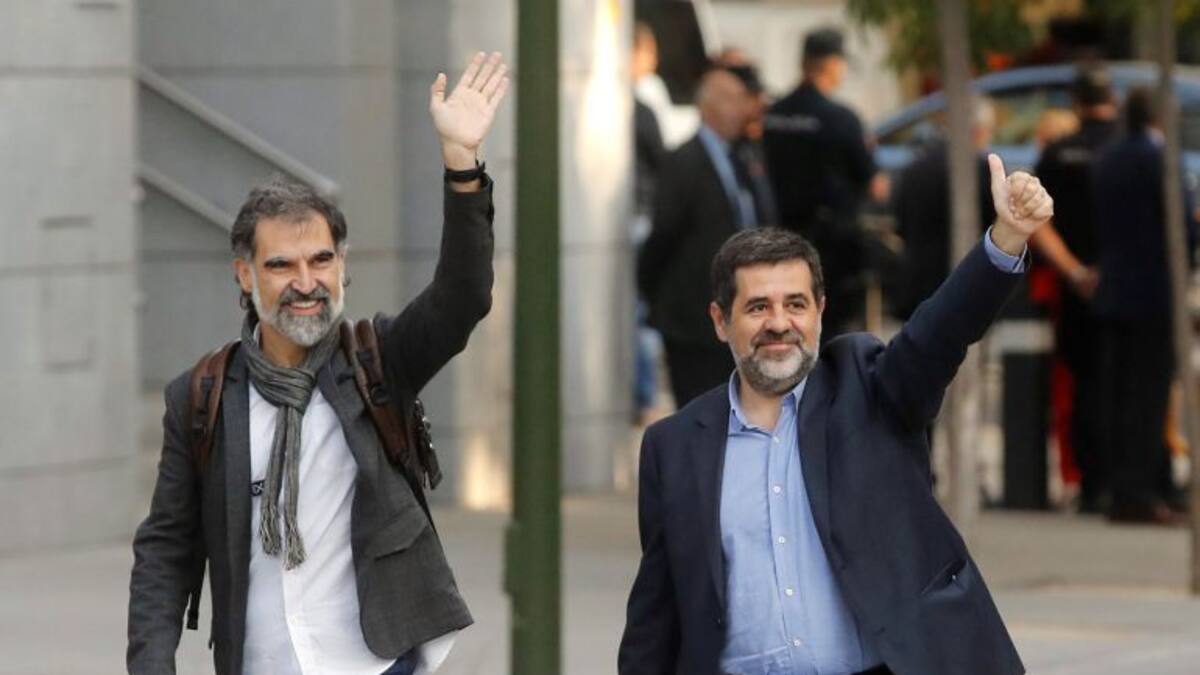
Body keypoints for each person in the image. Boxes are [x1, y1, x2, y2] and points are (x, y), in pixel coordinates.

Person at [127, 52, 509, 675]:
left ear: (342, 265)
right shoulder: (202, 398)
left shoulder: (377, 361)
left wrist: (461, 164)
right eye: (282, 265)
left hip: (375, 663)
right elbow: (166, 549)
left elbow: (462, 296)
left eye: (321, 261)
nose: (306, 283)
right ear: (245, 274)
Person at [619, 153, 1049, 675]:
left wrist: (1006, 239)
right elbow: (656, 616)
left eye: (796, 304)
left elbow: (939, 333)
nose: (780, 323)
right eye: (758, 307)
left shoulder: (869, 390)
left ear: (820, 311)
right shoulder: (673, 446)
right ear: (720, 320)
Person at [639, 67, 771, 408]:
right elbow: (663, 235)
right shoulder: (683, 160)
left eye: (742, 100)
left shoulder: (743, 157)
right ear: (706, 106)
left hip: (740, 311)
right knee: (700, 410)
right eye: (731, 100)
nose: (740, 109)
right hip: (693, 319)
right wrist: (655, 294)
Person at [1092, 86, 1190, 525]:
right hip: (1154, 290)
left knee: (1119, 393)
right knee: (1150, 396)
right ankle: (1144, 490)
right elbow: (1181, 225)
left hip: (1114, 287)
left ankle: (1125, 486)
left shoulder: (1108, 158)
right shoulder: (1159, 159)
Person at [1031, 66, 1120, 513]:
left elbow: (1037, 222)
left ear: (1076, 103)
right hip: (1126, 284)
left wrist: (1075, 271)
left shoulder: (1059, 153)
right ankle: (1130, 479)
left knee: (1083, 381)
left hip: (1077, 287)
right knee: (1129, 380)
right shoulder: (1131, 146)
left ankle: (1091, 481)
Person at [763, 28, 886, 338]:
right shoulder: (841, 119)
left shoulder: (773, 116)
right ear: (831, 65)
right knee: (829, 332)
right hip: (831, 251)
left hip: (778, 241)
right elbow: (876, 186)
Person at [890, 96, 998, 320]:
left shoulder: (914, 167)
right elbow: (995, 228)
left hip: (918, 284)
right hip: (966, 282)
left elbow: (900, 221)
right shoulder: (982, 169)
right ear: (978, 130)